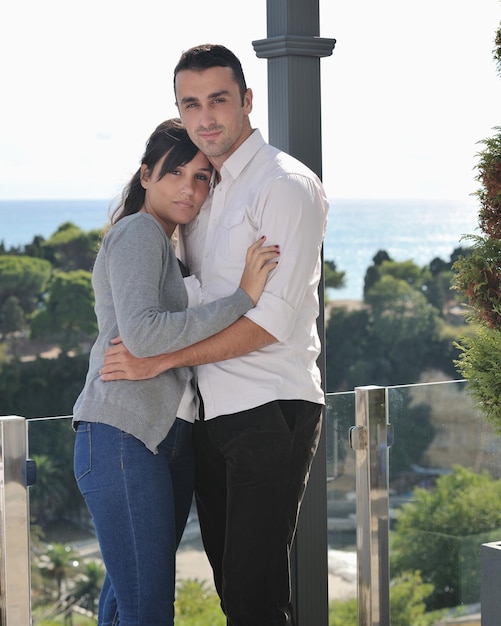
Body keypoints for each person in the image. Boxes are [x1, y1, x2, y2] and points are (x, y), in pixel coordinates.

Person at [100, 44, 329, 626]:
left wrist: (160, 358)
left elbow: (270, 321)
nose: (204, 117)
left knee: (254, 598)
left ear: (247, 101)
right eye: (189, 103)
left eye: (218, 100)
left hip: (270, 408)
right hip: (207, 418)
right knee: (231, 592)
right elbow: (168, 303)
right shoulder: (202, 195)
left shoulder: (284, 186)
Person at [72, 117, 279, 626]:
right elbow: (143, 335)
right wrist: (244, 299)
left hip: (163, 439)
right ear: (146, 176)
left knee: (127, 605)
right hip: (122, 434)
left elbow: (158, 337)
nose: (189, 189)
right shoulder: (139, 231)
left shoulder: (169, 246)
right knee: (148, 611)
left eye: (202, 178)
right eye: (176, 174)